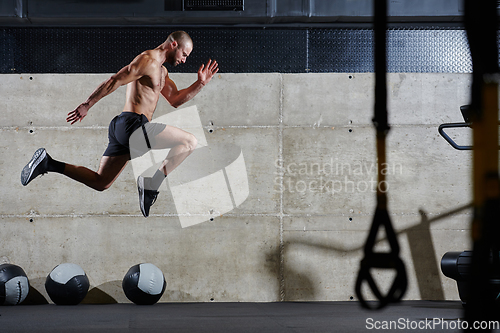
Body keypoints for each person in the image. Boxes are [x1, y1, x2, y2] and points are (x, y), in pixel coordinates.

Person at [21, 31, 219, 217]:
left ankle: (48, 163)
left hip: (125, 130)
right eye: (184, 54)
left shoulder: (162, 71)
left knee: (101, 182)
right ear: (173, 44)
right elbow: (115, 80)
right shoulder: (148, 60)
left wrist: (200, 84)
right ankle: (150, 185)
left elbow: (175, 99)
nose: (184, 60)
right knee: (189, 142)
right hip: (133, 126)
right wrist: (88, 104)